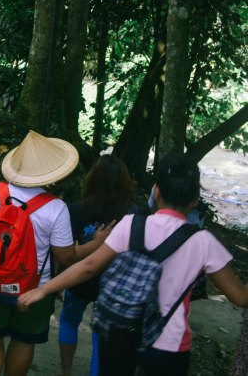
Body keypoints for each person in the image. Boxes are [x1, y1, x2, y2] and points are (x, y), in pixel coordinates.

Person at [18, 159, 248, 376]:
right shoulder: (204, 241)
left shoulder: (132, 224)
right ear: (196, 199)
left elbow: (88, 266)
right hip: (170, 343)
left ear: (156, 191)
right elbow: (240, 297)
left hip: (122, 333)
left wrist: (44, 289)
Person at [0, 131, 110, 376]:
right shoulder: (55, 208)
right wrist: (96, 243)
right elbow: (66, 258)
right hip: (33, 288)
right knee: (23, 339)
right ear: (50, 172)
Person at [59, 156, 136, 376]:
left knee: (69, 320)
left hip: (80, 277)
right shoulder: (132, 214)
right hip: (113, 283)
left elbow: (67, 251)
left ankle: (66, 372)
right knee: (100, 334)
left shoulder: (74, 210)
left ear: (92, 180)